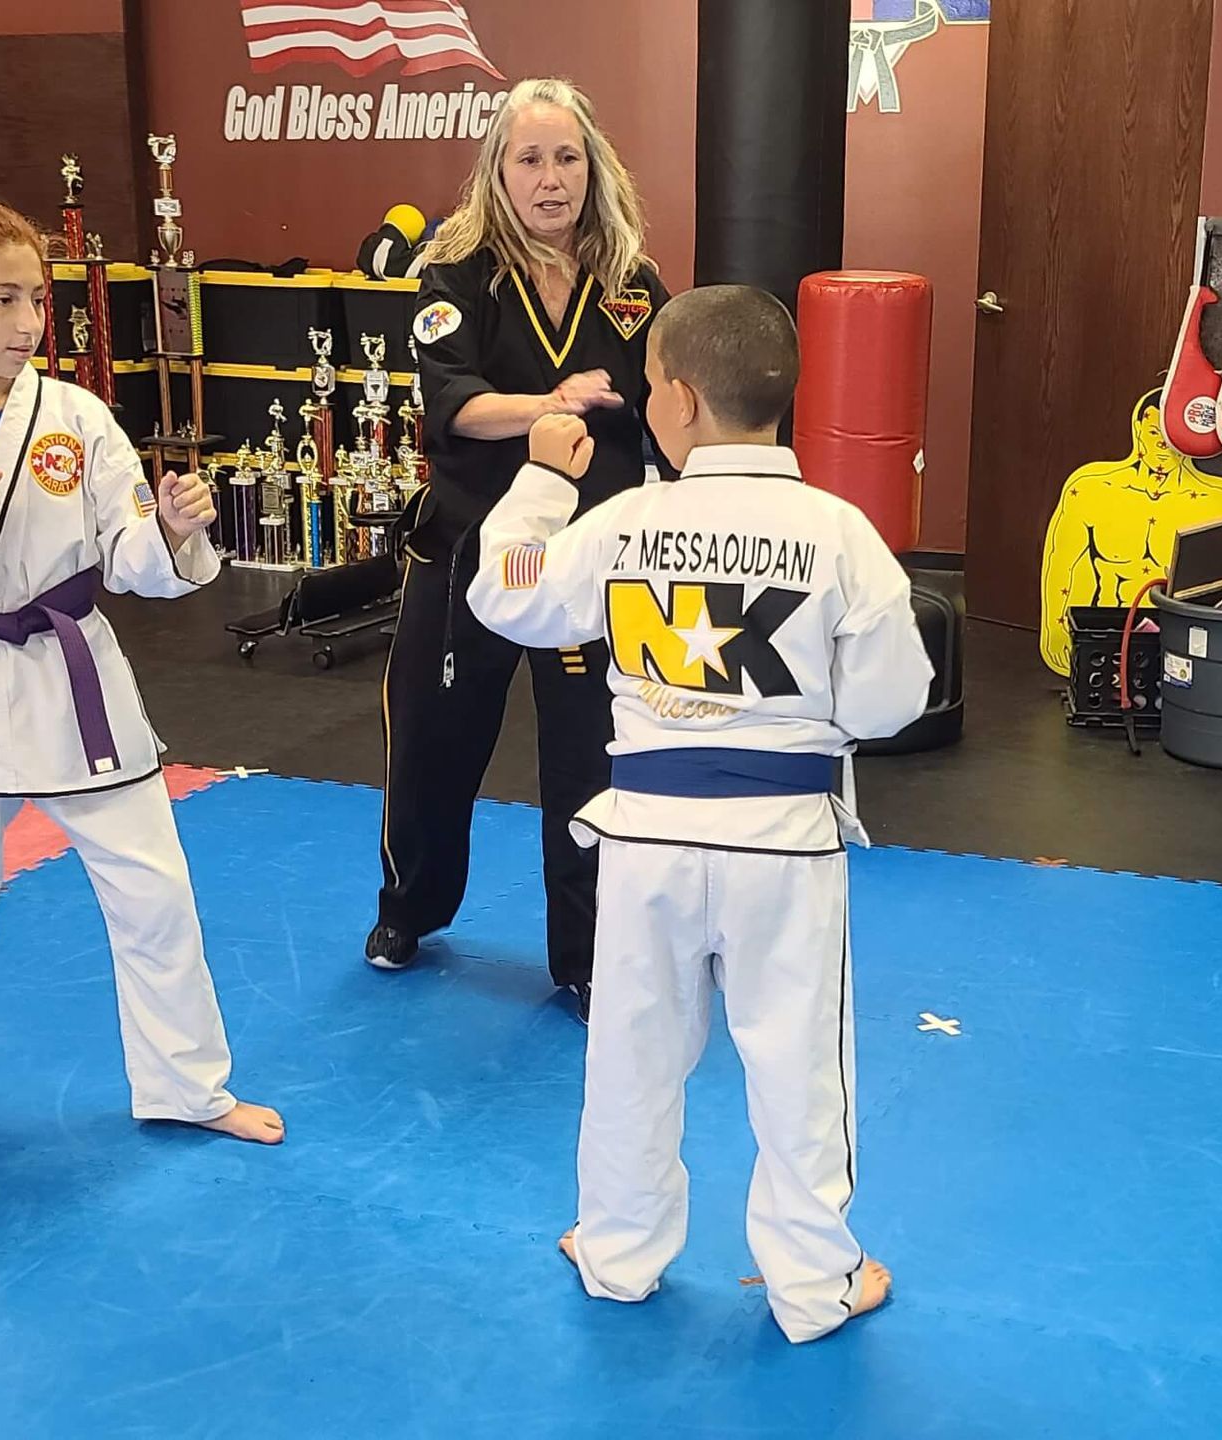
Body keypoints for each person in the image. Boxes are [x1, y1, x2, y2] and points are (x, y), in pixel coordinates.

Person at [465, 286, 934, 1343]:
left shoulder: (624, 523)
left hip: (645, 846)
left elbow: (504, 591)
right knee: (798, 1069)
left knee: (633, 1054)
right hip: (784, 849)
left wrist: (543, 479)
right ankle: (815, 1285)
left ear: (675, 399)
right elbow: (890, 701)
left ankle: (619, 1252)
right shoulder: (840, 533)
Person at [0, 199, 284, 1159]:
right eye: (4, 298)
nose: (31, 321)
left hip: (76, 690)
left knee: (154, 895)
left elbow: (128, 555)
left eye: (39, 298)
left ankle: (188, 1088)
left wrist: (175, 530)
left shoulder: (75, 416)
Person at [369, 78, 670, 1020]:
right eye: (530, 159)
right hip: (470, 552)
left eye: (568, 157)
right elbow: (451, 401)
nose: (551, 179)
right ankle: (409, 909)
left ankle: (584, 956)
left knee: (589, 762)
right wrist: (551, 405)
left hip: (587, 563)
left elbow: (667, 409)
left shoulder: (632, 284)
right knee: (433, 745)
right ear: (497, 173)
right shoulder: (456, 275)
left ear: (596, 167)